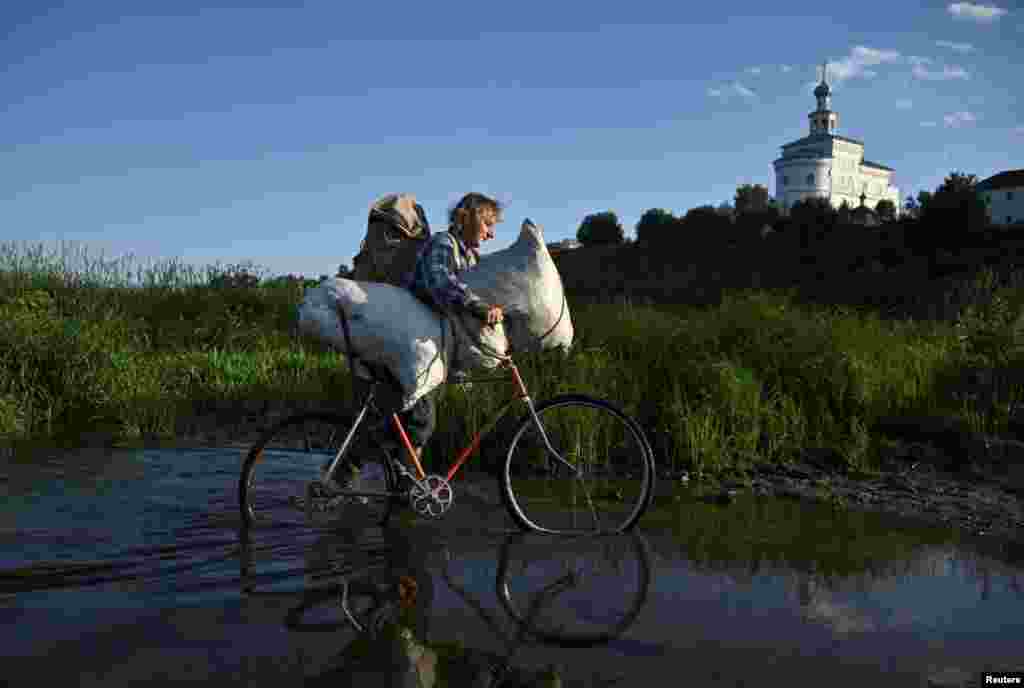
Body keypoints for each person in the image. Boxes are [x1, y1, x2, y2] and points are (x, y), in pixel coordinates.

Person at [329, 192, 505, 494]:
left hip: (426, 349)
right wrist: (477, 306)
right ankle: (352, 481)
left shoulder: (471, 257)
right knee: (417, 418)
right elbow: (439, 281)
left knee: (402, 418)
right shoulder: (443, 244)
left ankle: (386, 485)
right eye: (488, 224)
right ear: (469, 218)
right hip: (408, 343)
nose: (492, 233)